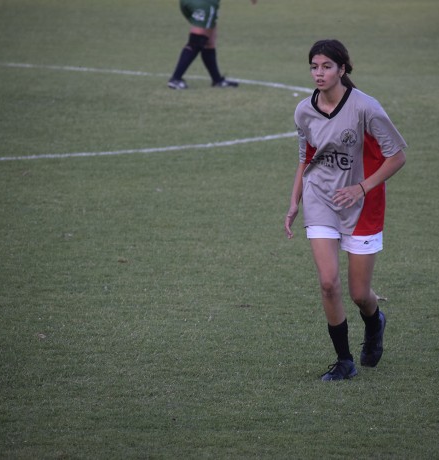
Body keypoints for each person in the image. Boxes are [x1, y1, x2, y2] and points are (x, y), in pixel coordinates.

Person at [284, 39, 407, 381]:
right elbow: (306, 159)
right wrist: (295, 200)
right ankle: (344, 361)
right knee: (327, 282)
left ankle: (374, 320)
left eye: (325, 66)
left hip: (362, 204)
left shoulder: (366, 108)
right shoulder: (303, 110)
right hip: (320, 197)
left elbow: (396, 156)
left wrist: (361, 187)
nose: (318, 73)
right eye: (314, 66)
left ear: (342, 69)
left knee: (358, 294)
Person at [168, 0, 257, 90]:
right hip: (204, 3)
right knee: (196, 41)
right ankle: (175, 79)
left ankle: (217, 80)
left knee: (209, 41)